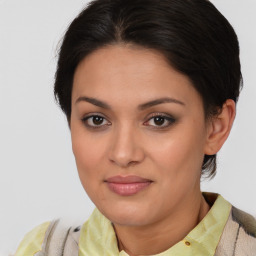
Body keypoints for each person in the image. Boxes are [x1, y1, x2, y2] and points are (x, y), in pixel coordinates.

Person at [14, 0, 256, 255]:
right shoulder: (41, 249)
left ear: (216, 127)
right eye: (97, 119)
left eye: (159, 120)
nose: (123, 154)